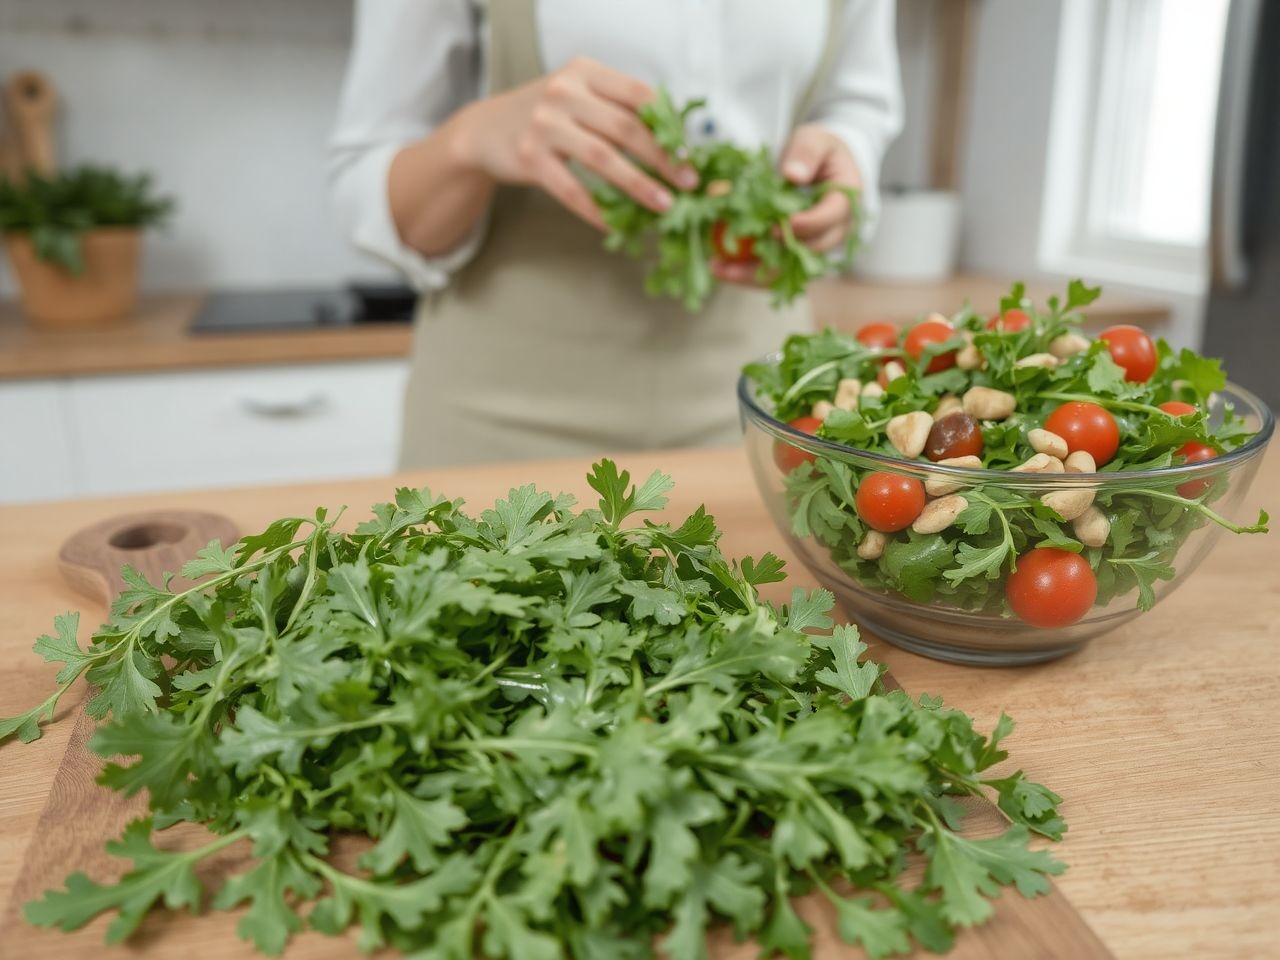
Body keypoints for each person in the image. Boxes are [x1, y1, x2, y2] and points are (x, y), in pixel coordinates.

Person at [330, 0, 902, 468]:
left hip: (757, 408)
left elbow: (856, 104)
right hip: (500, 416)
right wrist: (471, 141)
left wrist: (844, 154)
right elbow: (366, 182)